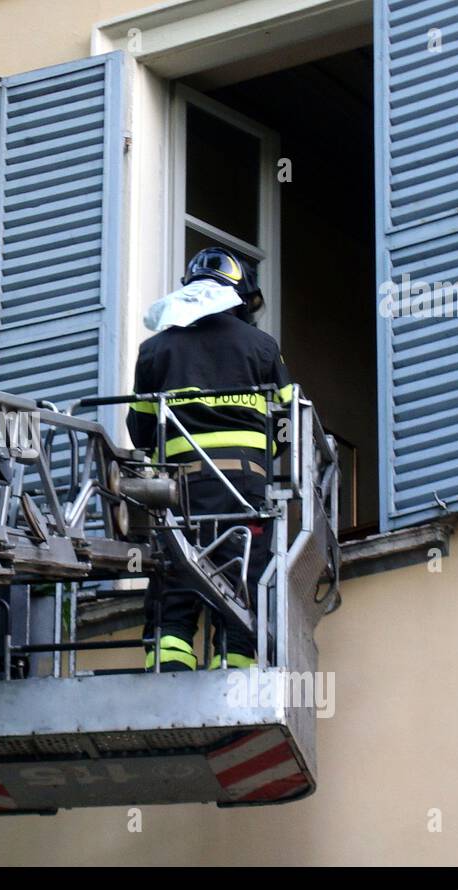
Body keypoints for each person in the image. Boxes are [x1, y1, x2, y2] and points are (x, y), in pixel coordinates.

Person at [127, 247, 293, 672]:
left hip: (180, 491)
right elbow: (287, 424)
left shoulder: (155, 350)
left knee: (177, 573)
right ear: (240, 294)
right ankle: (233, 668)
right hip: (245, 487)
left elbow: (141, 430)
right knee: (243, 578)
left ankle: (169, 669)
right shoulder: (262, 346)